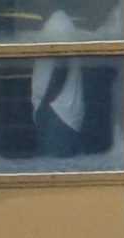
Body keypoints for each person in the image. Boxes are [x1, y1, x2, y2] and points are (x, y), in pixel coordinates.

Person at [32, 3, 84, 158]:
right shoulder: (54, 22)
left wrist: (46, 102)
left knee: (54, 166)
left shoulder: (58, 22)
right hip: (55, 109)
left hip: (58, 111)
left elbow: (62, 64)